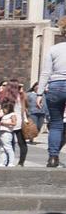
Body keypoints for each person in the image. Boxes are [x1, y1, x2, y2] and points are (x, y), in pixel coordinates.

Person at [45, 18, 66, 167]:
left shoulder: (54, 49)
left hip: (55, 85)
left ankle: (53, 157)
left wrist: (39, 93)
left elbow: (45, 72)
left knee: (56, 124)